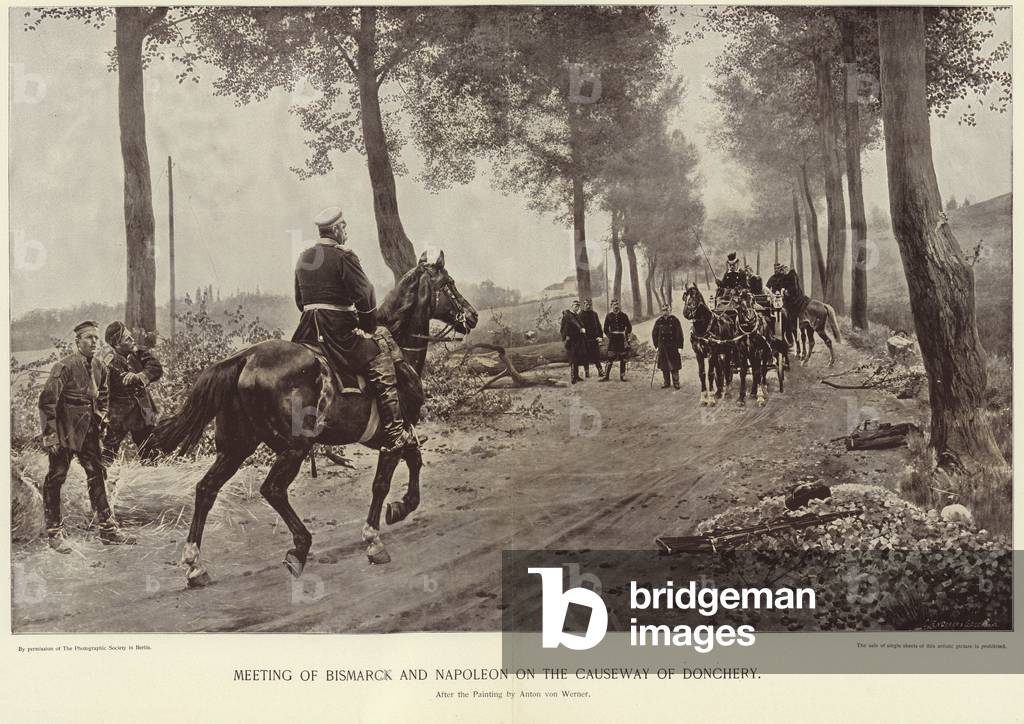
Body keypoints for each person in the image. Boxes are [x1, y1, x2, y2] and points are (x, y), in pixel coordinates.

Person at [292, 206, 415, 453]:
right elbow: (366, 296)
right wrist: (368, 326)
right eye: (344, 226)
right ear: (336, 229)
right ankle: (394, 432)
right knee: (381, 355)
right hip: (339, 332)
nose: (346, 230)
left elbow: (299, 301)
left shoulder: (304, 257)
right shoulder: (344, 255)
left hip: (307, 331)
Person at [38, 320, 135, 552]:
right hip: (65, 430)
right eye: (88, 337)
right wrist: (50, 436)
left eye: (96, 338)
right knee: (56, 477)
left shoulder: (101, 366)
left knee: (97, 474)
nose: (93, 342)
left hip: (89, 430)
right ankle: (54, 533)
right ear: (77, 341)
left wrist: (100, 418)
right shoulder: (64, 367)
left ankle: (108, 530)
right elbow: (47, 402)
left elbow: (103, 395)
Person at [101, 321, 163, 466]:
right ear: (117, 345)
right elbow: (103, 390)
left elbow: (156, 368)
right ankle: (100, 482)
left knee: (151, 455)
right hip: (118, 416)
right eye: (127, 339)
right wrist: (103, 414)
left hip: (141, 414)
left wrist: (140, 376)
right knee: (108, 455)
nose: (132, 340)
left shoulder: (138, 353)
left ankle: (153, 481)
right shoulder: (108, 362)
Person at [651, 303, 684, 389]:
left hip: (673, 346)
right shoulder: (659, 321)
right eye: (663, 310)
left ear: (670, 310)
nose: (665, 312)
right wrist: (656, 346)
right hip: (662, 346)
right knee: (664, 366)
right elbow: (654, 333)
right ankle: (666, 382)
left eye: (666, 310)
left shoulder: (675, 320)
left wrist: (680, 347)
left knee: (674, 365)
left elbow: (679, 334)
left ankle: (676, 382)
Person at [600, 299, 632, 382]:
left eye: (617, 304)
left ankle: (622, 375)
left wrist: (627, 335)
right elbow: (605, 328)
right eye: (614, 305)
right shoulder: (609, 316)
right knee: (610, 358)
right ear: (611, 306)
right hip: (613, 339)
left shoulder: (624, 315)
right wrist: (609, 336)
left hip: (621, 338)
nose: (616, 306)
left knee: (623, 358)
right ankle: (606, 376)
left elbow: (629, 326)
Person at [559, 300, 588, 384]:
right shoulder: (567, 316)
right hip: (571, 340)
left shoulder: (576, 315)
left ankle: (577, 376)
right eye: (575, 306)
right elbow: (563, 328)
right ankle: (573, 377)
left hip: (578, 339)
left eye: (578, 306)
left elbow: (580, 325)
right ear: (572, 306)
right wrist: (566, 337)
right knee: (573, 359)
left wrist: (582, 330)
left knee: (577, 358)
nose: (577, 308)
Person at [579, 298, 603, 378]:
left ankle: (600, 371)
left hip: (594, 339)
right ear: (584, 305)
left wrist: (600, 336)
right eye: (586, 304)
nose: (588, 306)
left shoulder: (594, 314)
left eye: (590, 305)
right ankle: (587, 372)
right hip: (585, 339)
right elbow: (578, 328)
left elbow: (599, 326)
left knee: (596, 356)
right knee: (586, 356)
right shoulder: (580, 315)